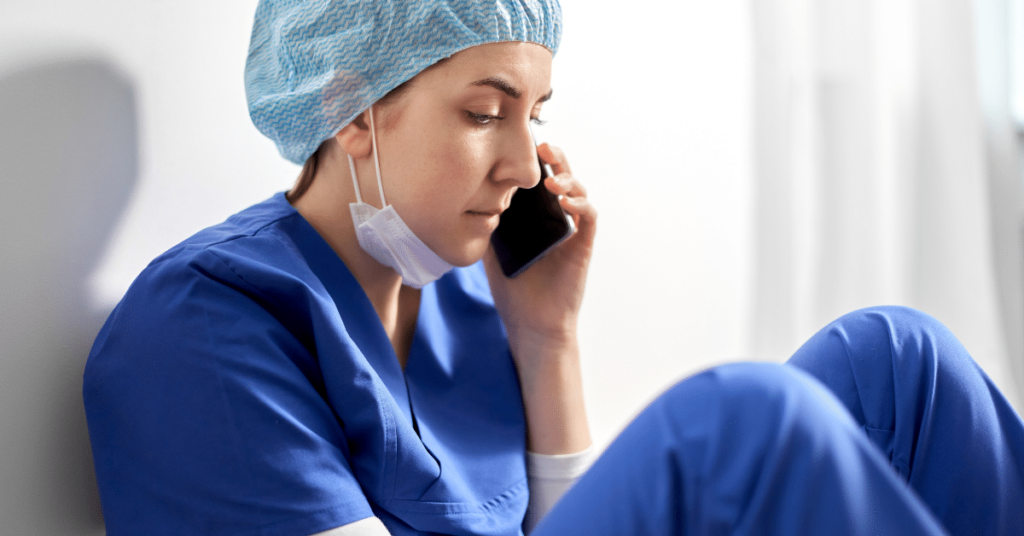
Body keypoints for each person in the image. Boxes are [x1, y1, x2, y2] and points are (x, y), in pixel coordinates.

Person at [82, 1, 1024, 535]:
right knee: (738, 424)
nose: (528, 165)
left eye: (537, 113)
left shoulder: (466, 289)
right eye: (486, 112)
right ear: (350, 105)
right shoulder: (206, 327)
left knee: (898, 359)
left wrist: (547, 336)